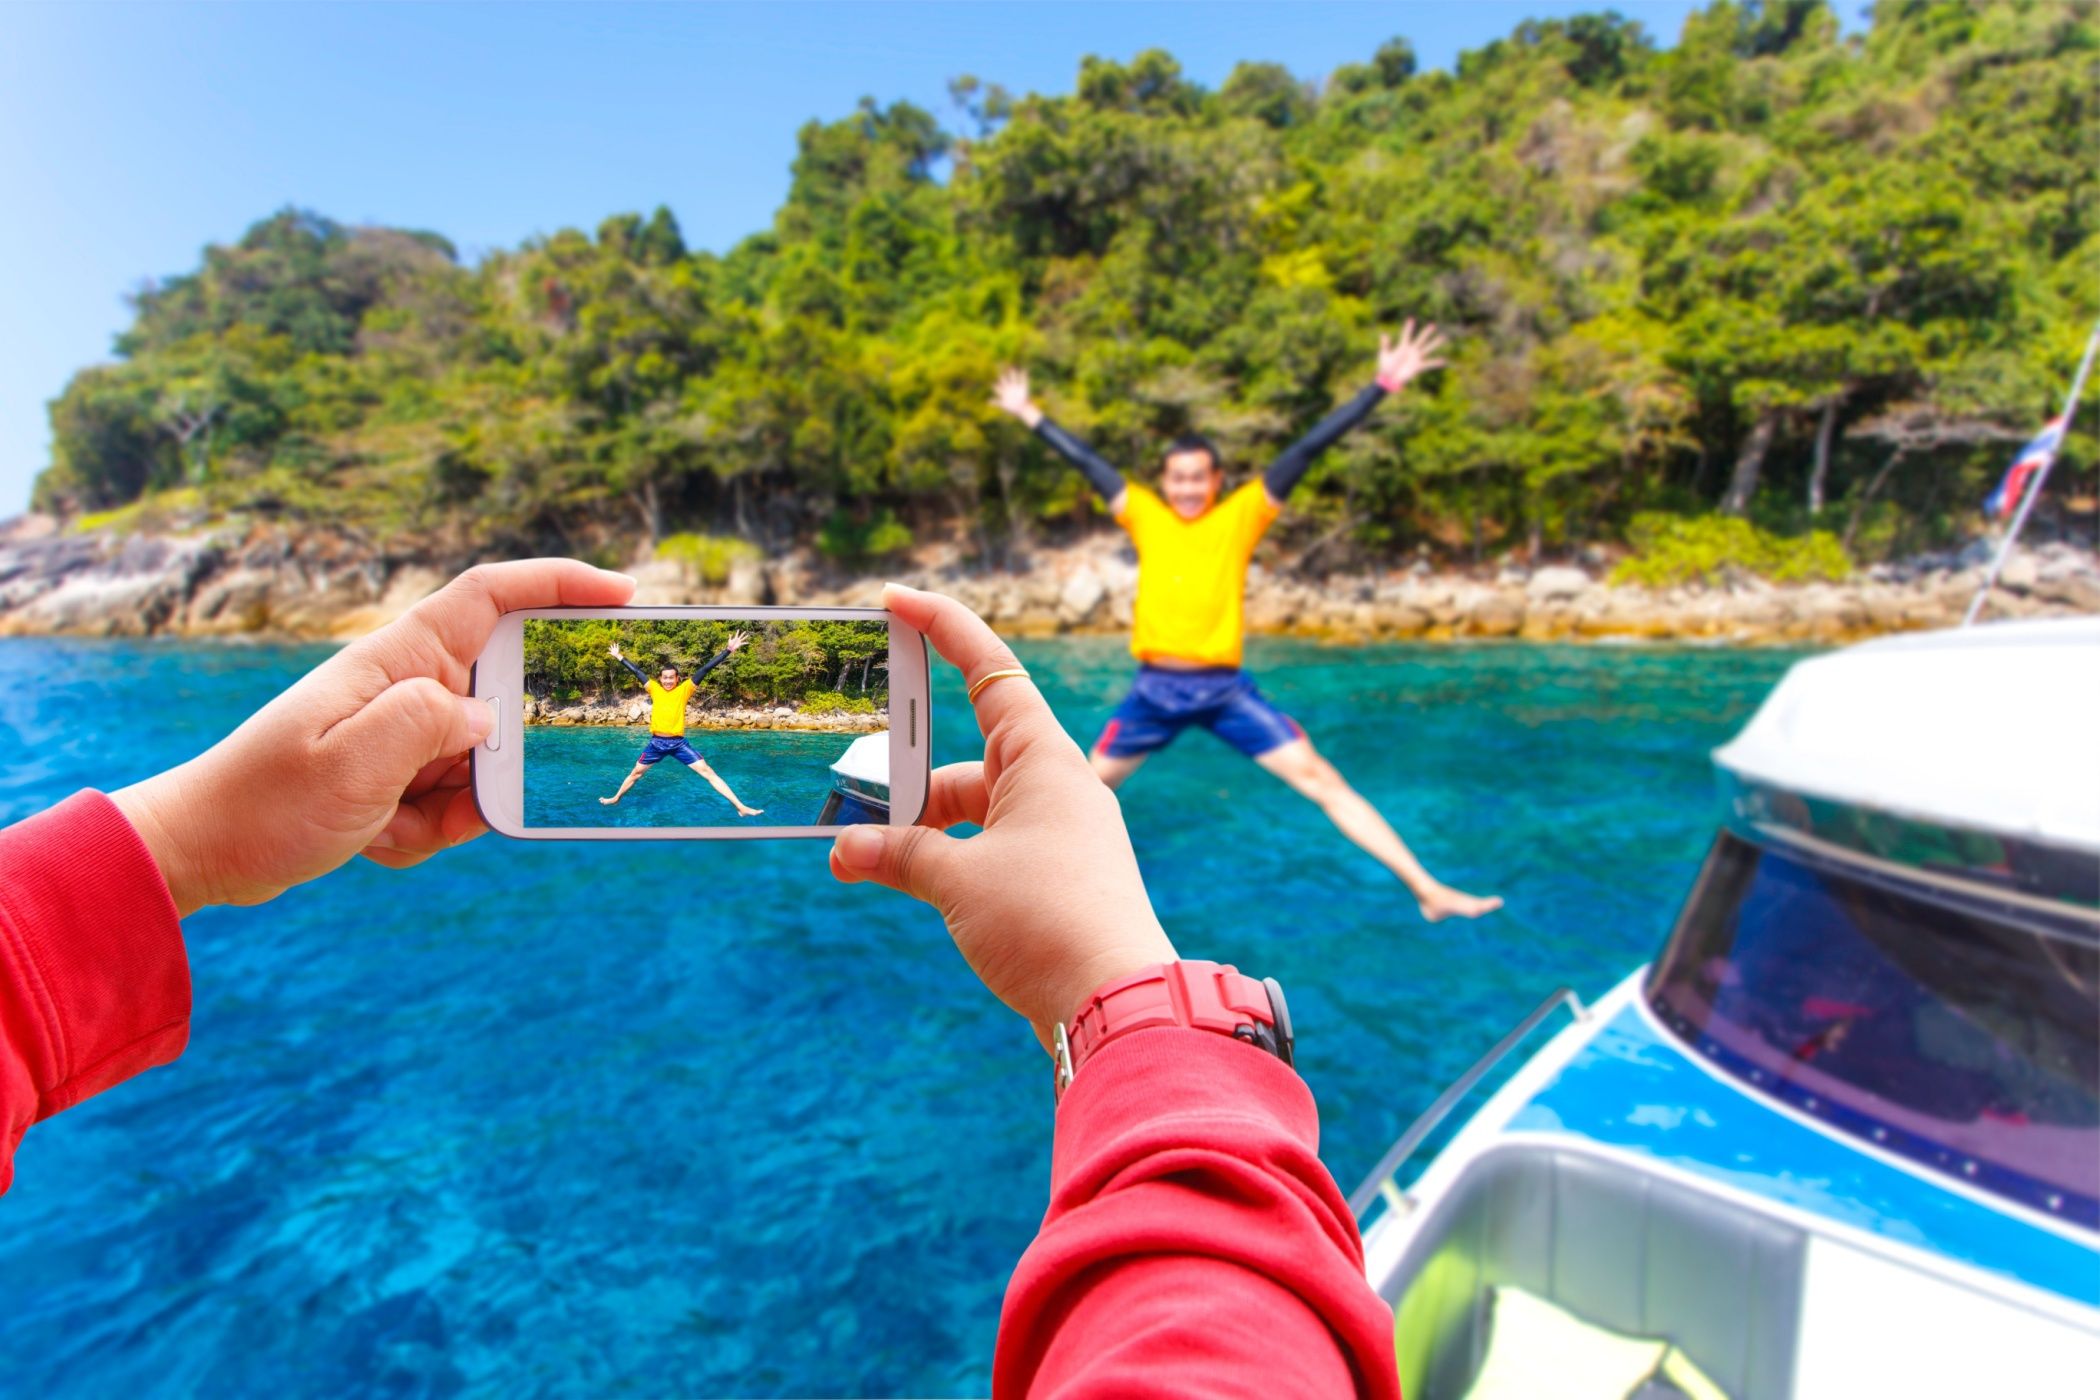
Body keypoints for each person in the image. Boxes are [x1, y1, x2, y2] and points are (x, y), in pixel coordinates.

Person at [0, 561, 1400, 1398]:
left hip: (654, 751)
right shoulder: (661, 699)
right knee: (668, 768)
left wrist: (181, 841)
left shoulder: (670, 700)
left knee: (693, 769)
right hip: (679, 757)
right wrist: (1124, 986)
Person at [993, 323, 1504, 923]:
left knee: (1320, 779)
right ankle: (1014, 886)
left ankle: (1428, 890)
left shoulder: (1241, 516)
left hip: (1224, 690)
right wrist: (1028, 414)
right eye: (1176, 477)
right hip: (1154, 691)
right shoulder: (1145, 515)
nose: (1186, 488)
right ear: (1165, 481)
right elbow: (1088, 462)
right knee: (1075, 790)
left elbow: (1307, 450)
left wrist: (1381, 387)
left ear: (1216, 481)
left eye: (1197, 478)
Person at [598, 633, 763, 815]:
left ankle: (740, 807)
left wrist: (728, 651)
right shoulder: (654, 689)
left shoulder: (685, 690)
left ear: (677, 678)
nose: (668, 680)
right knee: (636, 773)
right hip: (656, 743)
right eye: (665, 677)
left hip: (678, 744)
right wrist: (619, 657)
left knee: (708, 772)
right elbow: (637, 671)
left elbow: (705, 669)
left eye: (671, 677)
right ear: (660, 679)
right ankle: (616, 798)